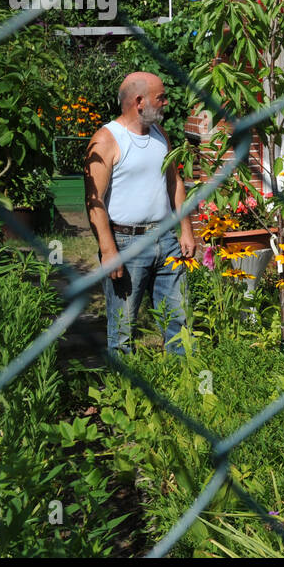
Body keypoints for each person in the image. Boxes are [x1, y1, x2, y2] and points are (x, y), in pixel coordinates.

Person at [85, 71, 196, 355]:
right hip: (126, 244)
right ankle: (124, 394)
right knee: (123, 330)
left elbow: (175, 182)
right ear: (139, 101)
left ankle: (183, 387)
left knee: (178, 320)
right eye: (161, 97)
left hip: (167, 240)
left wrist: (186, 229)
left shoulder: (160, 134)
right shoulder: (106, 141)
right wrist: (109, 252)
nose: (167, 103)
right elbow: (93, 201)